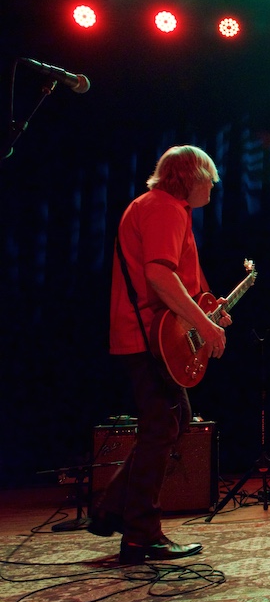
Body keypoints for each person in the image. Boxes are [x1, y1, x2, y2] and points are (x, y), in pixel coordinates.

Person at [89, 145, 231, 563]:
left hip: (150, 334)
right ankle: (140, 533)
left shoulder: (161, 208)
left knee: (173, 420)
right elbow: (158, 274)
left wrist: (208, 310)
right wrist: (204, 326)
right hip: (148, 336)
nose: (214, 185)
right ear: (189, 176)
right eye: (210, 177)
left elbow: (179, 283)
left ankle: (112, 509)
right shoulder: (165, 208)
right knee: (161, 426)